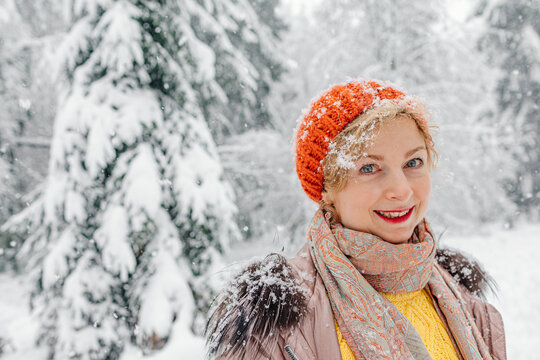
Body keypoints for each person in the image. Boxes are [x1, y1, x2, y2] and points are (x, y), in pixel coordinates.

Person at [205, 80, 506, 360]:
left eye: (413, 162)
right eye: (369, 168)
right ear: (326, 189)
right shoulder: (277, 316)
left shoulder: (460, 293)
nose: (401, 190)